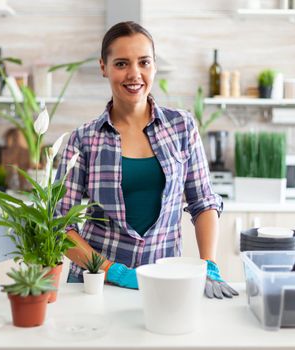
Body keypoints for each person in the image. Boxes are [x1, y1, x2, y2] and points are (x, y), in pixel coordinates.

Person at [56, 21, 237, 299]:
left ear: (154, 65)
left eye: (144, 62)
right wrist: (112, 271)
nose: (134, 74)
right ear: (103, 67)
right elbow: (59, 223)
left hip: (166, 281)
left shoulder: (182, 127)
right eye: (121, 64)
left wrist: (208, 264)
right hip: (95, 286)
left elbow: (203, 202)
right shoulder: (84, 139)